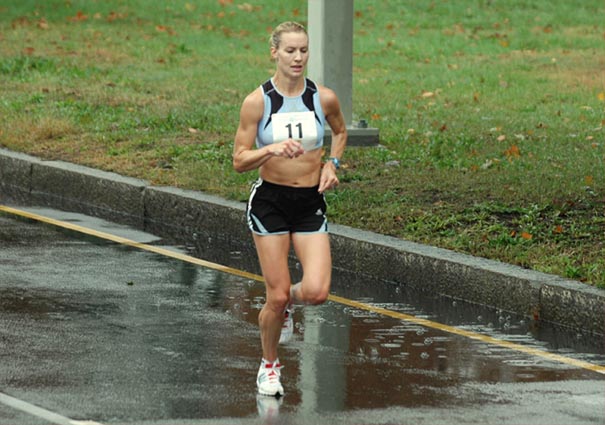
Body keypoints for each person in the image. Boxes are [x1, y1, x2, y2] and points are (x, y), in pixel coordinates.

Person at [232, 21, 347, 397]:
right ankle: (268, 366)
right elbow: (239, 160)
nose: (298, 58)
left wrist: (333, 164)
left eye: (303, 51)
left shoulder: (323, 97)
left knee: (316, 292)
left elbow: (340, 132)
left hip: (309, 201)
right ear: (274, 53)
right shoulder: (258, 101)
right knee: (275, 295)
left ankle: (287, 306)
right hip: (270, 203)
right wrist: (271, 149)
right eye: (290, 51)